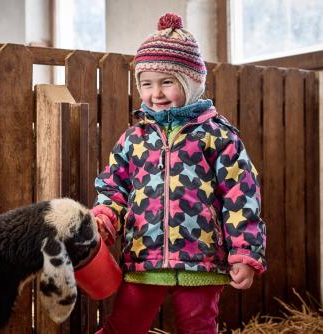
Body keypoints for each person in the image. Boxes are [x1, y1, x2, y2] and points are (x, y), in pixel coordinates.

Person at [91, 12, 267, 334]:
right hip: (143, 258)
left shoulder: (218, 135)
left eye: (167, 82)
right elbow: (113, 186)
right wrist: (104, 218)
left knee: (198, 327)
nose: (155, 93)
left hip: (202, 260)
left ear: (191, 83)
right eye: (146, 84)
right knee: (124, 325)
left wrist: (244, 250)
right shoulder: (134, 138)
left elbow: (241, 193)